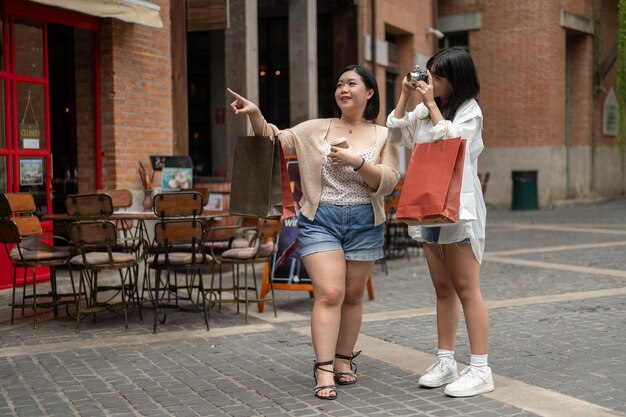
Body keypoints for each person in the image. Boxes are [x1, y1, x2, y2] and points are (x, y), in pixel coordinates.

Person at [227, 64, 399, 400]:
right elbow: (274, 138)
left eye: (352, 83)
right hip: (321, 220)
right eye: (339, 84)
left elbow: (388, 181)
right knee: (330, 293)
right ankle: (323, 369)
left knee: (352, 296)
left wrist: (357, 162)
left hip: (366, 221)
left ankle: (344, 359)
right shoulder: (315, 128)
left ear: (370, 93)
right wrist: (255, 114)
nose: (343, 89)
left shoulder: (382, 134)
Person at [386, 47, 493, 397]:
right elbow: (395, 134)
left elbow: (454, 142)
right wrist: (404, 96)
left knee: (466, 288)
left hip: (458, 209)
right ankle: (446, 360)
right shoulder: (422, 108)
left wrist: (431, 105)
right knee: (442, 289)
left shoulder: (468, 111)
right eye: (429, 74)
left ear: (456, 79)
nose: (430, 81)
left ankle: (480, 369)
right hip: (429, 206)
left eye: (439, 76)